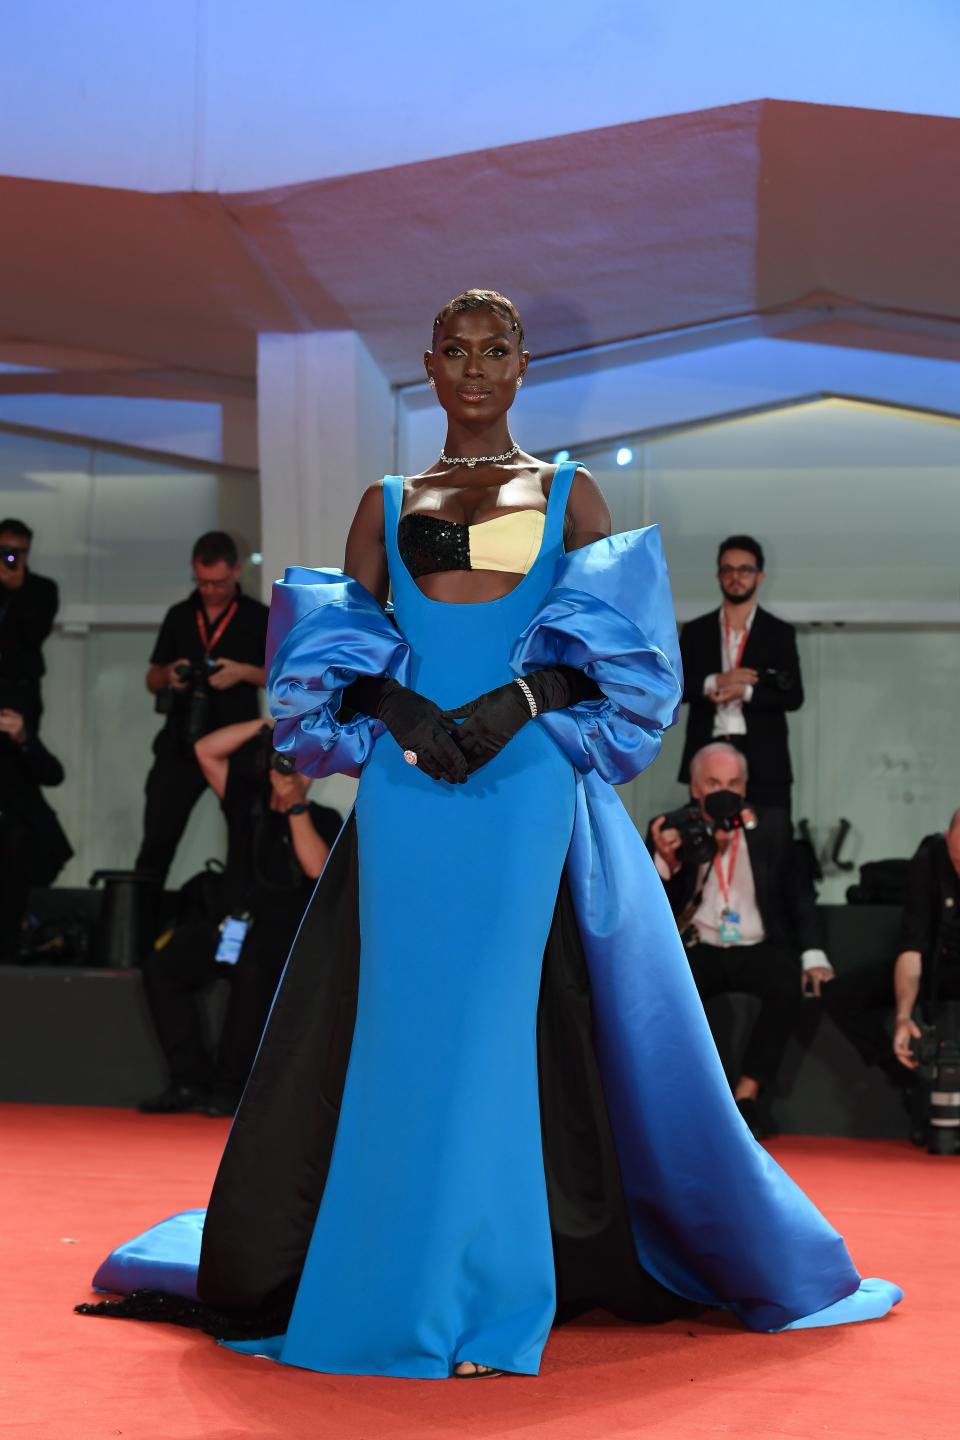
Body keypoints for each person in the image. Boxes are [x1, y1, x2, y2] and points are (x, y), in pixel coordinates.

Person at [80, 289, 900, 1375]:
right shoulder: (385, 503)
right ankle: (396, 1273)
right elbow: (321, 670)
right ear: (428, 366)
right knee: (405, 1032)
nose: (474, 368)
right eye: (455, 351)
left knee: (492, 1035)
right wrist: (400, 712)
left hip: (525, 791)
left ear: (523, 366)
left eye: (495, 350)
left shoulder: (573, 494)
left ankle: (489, 1297)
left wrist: (512, 705)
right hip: (412, 796)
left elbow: (628, 670)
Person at [138, 719, 341, 1116]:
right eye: (284, 762)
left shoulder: (323, 819)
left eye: (300, 767)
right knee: (163, 966)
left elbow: (316, 868)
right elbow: (206, 750)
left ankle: (229, 1090)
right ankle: (187, 1082)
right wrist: (267, 725)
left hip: (278, 940)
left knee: (254, 972)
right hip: (228, 926)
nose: (290, 773)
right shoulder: (245, 803)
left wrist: (295, 806)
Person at [650, 741, 832, 1137]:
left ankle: (745, 1097)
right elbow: (648, 905)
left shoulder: (772, 825)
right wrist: (665, 859)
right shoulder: (673, 827)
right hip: (699, 945)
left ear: (745, 787)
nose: (724, 791)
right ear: (696, 788)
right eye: (713, 782)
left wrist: (814, 954)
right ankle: (688, 1102)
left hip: (757, 945)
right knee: (671, 995)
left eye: (733, 782)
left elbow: (800, 895)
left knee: (786, 984)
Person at [135, 532, 269, 885]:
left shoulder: (258, 616)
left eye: (218, 582)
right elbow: (151, 678)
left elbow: (280, 676)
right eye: (202, 582)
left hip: (235, 744)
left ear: (236, 571)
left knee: (247, 835)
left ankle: (240, 921)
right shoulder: (180, 615)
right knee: (157, 841)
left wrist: (242, 672)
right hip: (180, 742)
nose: (210, 590)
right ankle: (142, 928)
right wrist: (170, 673)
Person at [677, 535, 803, 813]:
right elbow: (676, 689)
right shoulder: (696, 631)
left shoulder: (779, 632)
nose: (736, 577)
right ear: (718, 575)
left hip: (765, 759)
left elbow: (794, 696)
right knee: (708, 838)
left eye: (745, 569)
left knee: (771, 842)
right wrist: (718, 681)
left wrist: (745, 691)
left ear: (760, 576)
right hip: (708, 750)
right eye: (728, 569)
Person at [0, 704, 72, 959]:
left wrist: (24, 739)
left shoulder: (9, 734)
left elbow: (53, 774)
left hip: (24, 845)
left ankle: (12, 941)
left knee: (15, 839)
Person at [891, 811, 960, 1070]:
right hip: (935, 964)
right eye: (957, 861)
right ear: (947, 837)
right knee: (844, 996)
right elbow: (912, 947)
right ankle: (906, 1081)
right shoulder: (928, 861)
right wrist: (903, 1016)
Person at [0, 517, 60, 726]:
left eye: (21, 551)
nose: (13, 557)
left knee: (21, 751)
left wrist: (18, 590)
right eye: (6, 550)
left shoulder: (42, 589)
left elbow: (35, 634)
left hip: (20, 687)